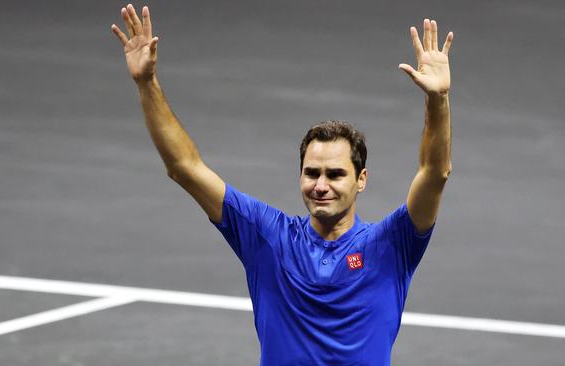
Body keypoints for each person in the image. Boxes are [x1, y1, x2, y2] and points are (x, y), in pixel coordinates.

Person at [112, 4, 453, 365]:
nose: (321, 185)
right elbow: (184, 168)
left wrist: (438, 99)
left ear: (361, 179)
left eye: (335, 174)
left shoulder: (392, 244)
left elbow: (435, 172)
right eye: (312, 173)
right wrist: (146, 83)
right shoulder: (267, 237)